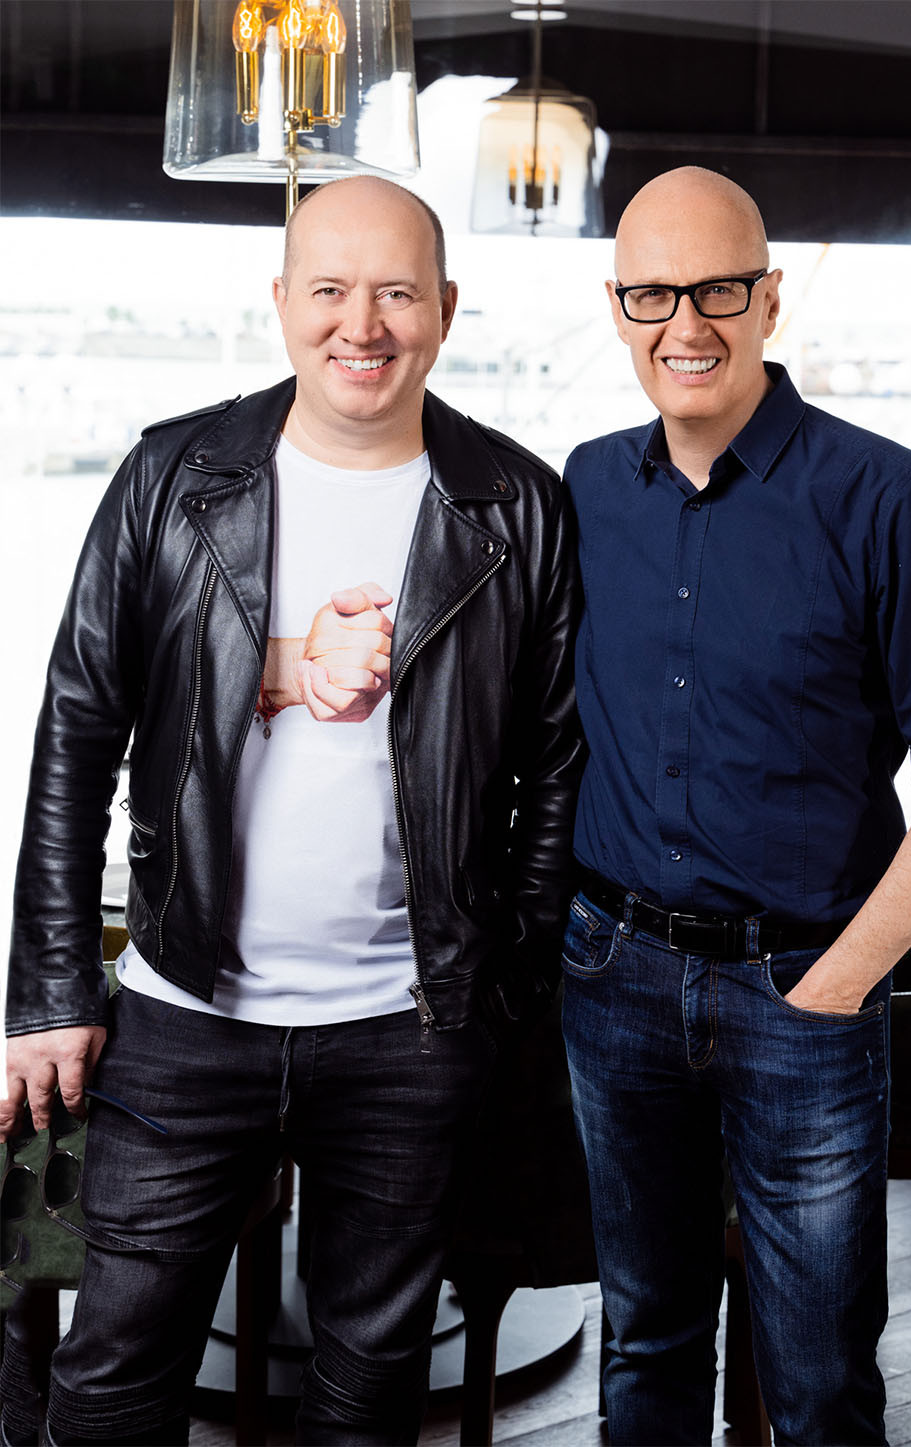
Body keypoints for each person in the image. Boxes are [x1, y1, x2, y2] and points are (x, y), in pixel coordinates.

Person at [0, 176, 582, 1446]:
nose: (359, 325)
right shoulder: (172, 475)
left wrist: (503, 988)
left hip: (409, 1029)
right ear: (280, 303)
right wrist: (48, 986)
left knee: (369, 1392)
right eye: (329, 289)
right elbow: (77, 732)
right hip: (183, 1014)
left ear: (445, 309)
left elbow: (555, 770)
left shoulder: (518, 505)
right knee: (109, 1379)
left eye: (396, 292)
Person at [560, 165, 911, 1447]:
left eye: (716, 290)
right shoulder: (586, 487)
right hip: (613, 975)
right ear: (617, 307)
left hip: (803, 989)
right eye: (652, 295)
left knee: (817, 1382)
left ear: (769, 297)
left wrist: (839, 983)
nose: (684, 325)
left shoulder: (892, 499)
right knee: (643, 1339)